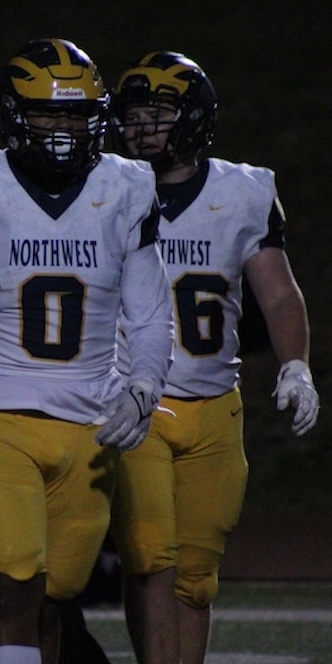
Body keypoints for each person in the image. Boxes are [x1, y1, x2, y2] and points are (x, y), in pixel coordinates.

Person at [0, 37, 174, 664]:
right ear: (13, 115)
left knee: (55, 600)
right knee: (9, 590)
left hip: (89, 424)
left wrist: (143, 388)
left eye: (76, 115)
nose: (62, 129)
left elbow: (150, 312)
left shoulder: (128, 185)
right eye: (48, 112)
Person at [107, 51, 320, 664]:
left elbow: (278, 293)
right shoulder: (107, 189)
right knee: (150, 560)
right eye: (133, 116)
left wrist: (296, 365)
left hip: (214, 405)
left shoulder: (243, 191)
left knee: (196, 577)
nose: (141, 128)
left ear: (195, 119)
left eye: (157, 114)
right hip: (135, 402)